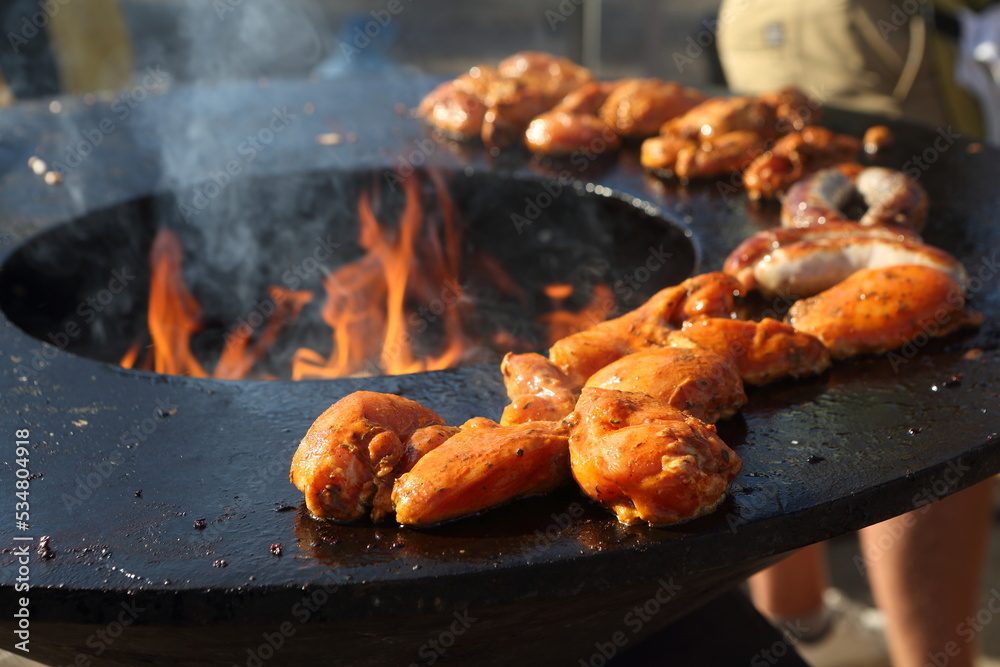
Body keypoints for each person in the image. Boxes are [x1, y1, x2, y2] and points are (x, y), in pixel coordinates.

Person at [717, 2, 997, 665]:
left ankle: (803, 627)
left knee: (792, 335)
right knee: (929, 373)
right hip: (869, 35)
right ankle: (930, 658)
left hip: (782, 25)